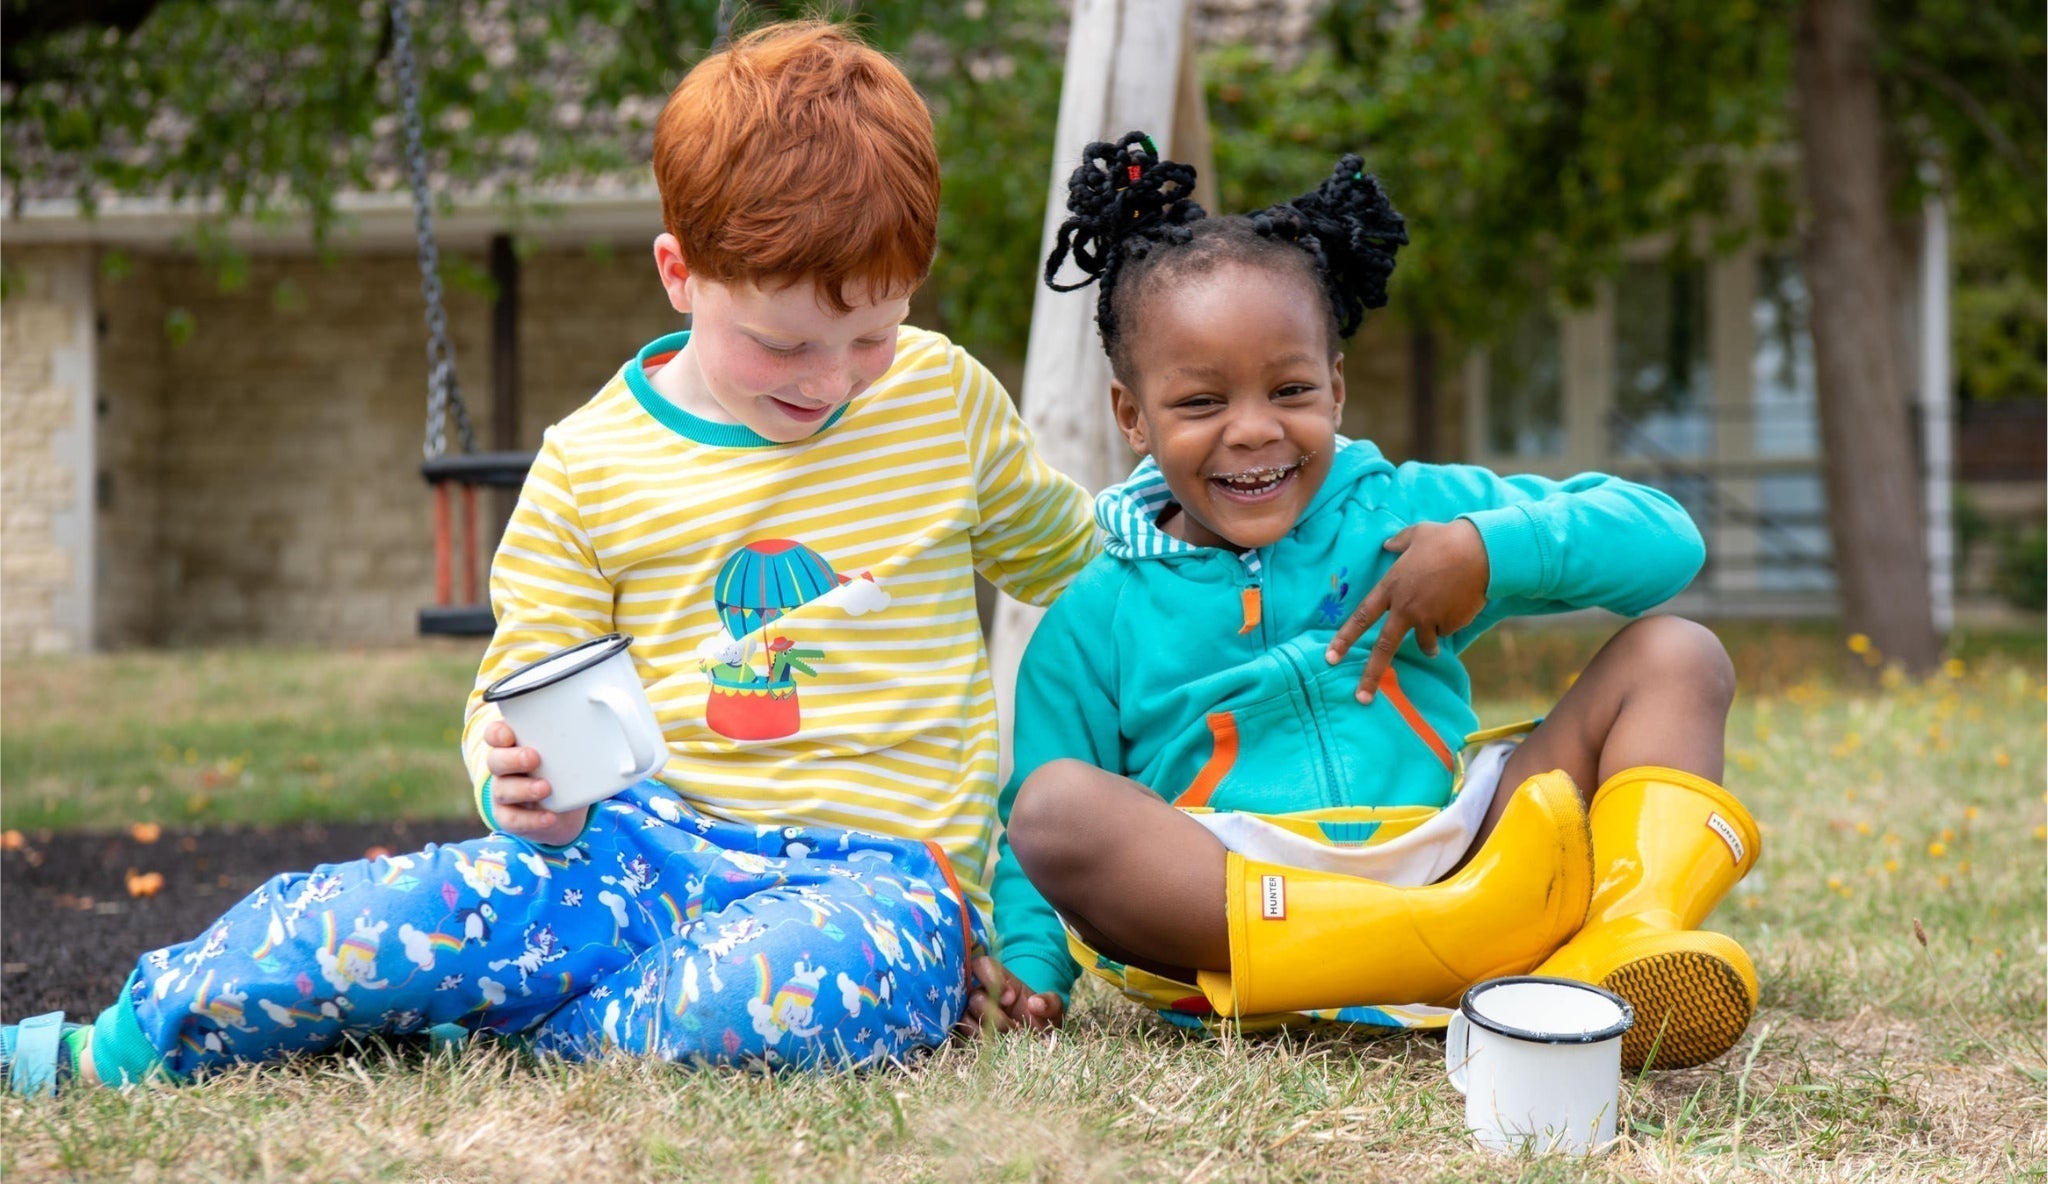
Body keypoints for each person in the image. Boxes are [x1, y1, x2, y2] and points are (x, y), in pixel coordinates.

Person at [0, 21, 1100, 1096]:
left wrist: (1205, 504)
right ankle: (120, 1043)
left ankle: (503, 1030)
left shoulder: (940, 397)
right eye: (782, 342)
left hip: (875, 886)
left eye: (870, 333)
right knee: (359, 920)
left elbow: (1078, 559)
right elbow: (515, 697)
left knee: (774, 991)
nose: (828, 377)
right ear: (679, 272)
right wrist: (512, 779)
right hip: (634, 851)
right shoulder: (589, 464)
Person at [980, 133, 1761, 1072]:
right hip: (1242, 908)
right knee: (1056, 807)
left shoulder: (1401, 513)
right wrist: (1030, 970)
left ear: (1338, 389)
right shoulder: (1097, 612)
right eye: (1200, 403)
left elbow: (1665, 539)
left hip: (1468, 858)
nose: (1256, 428)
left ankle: (1623, 941)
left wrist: (1487, 550)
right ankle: (1455, 953)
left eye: (1292, 388)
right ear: (1132, 416)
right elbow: (1040, 824)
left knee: (1677, 656)